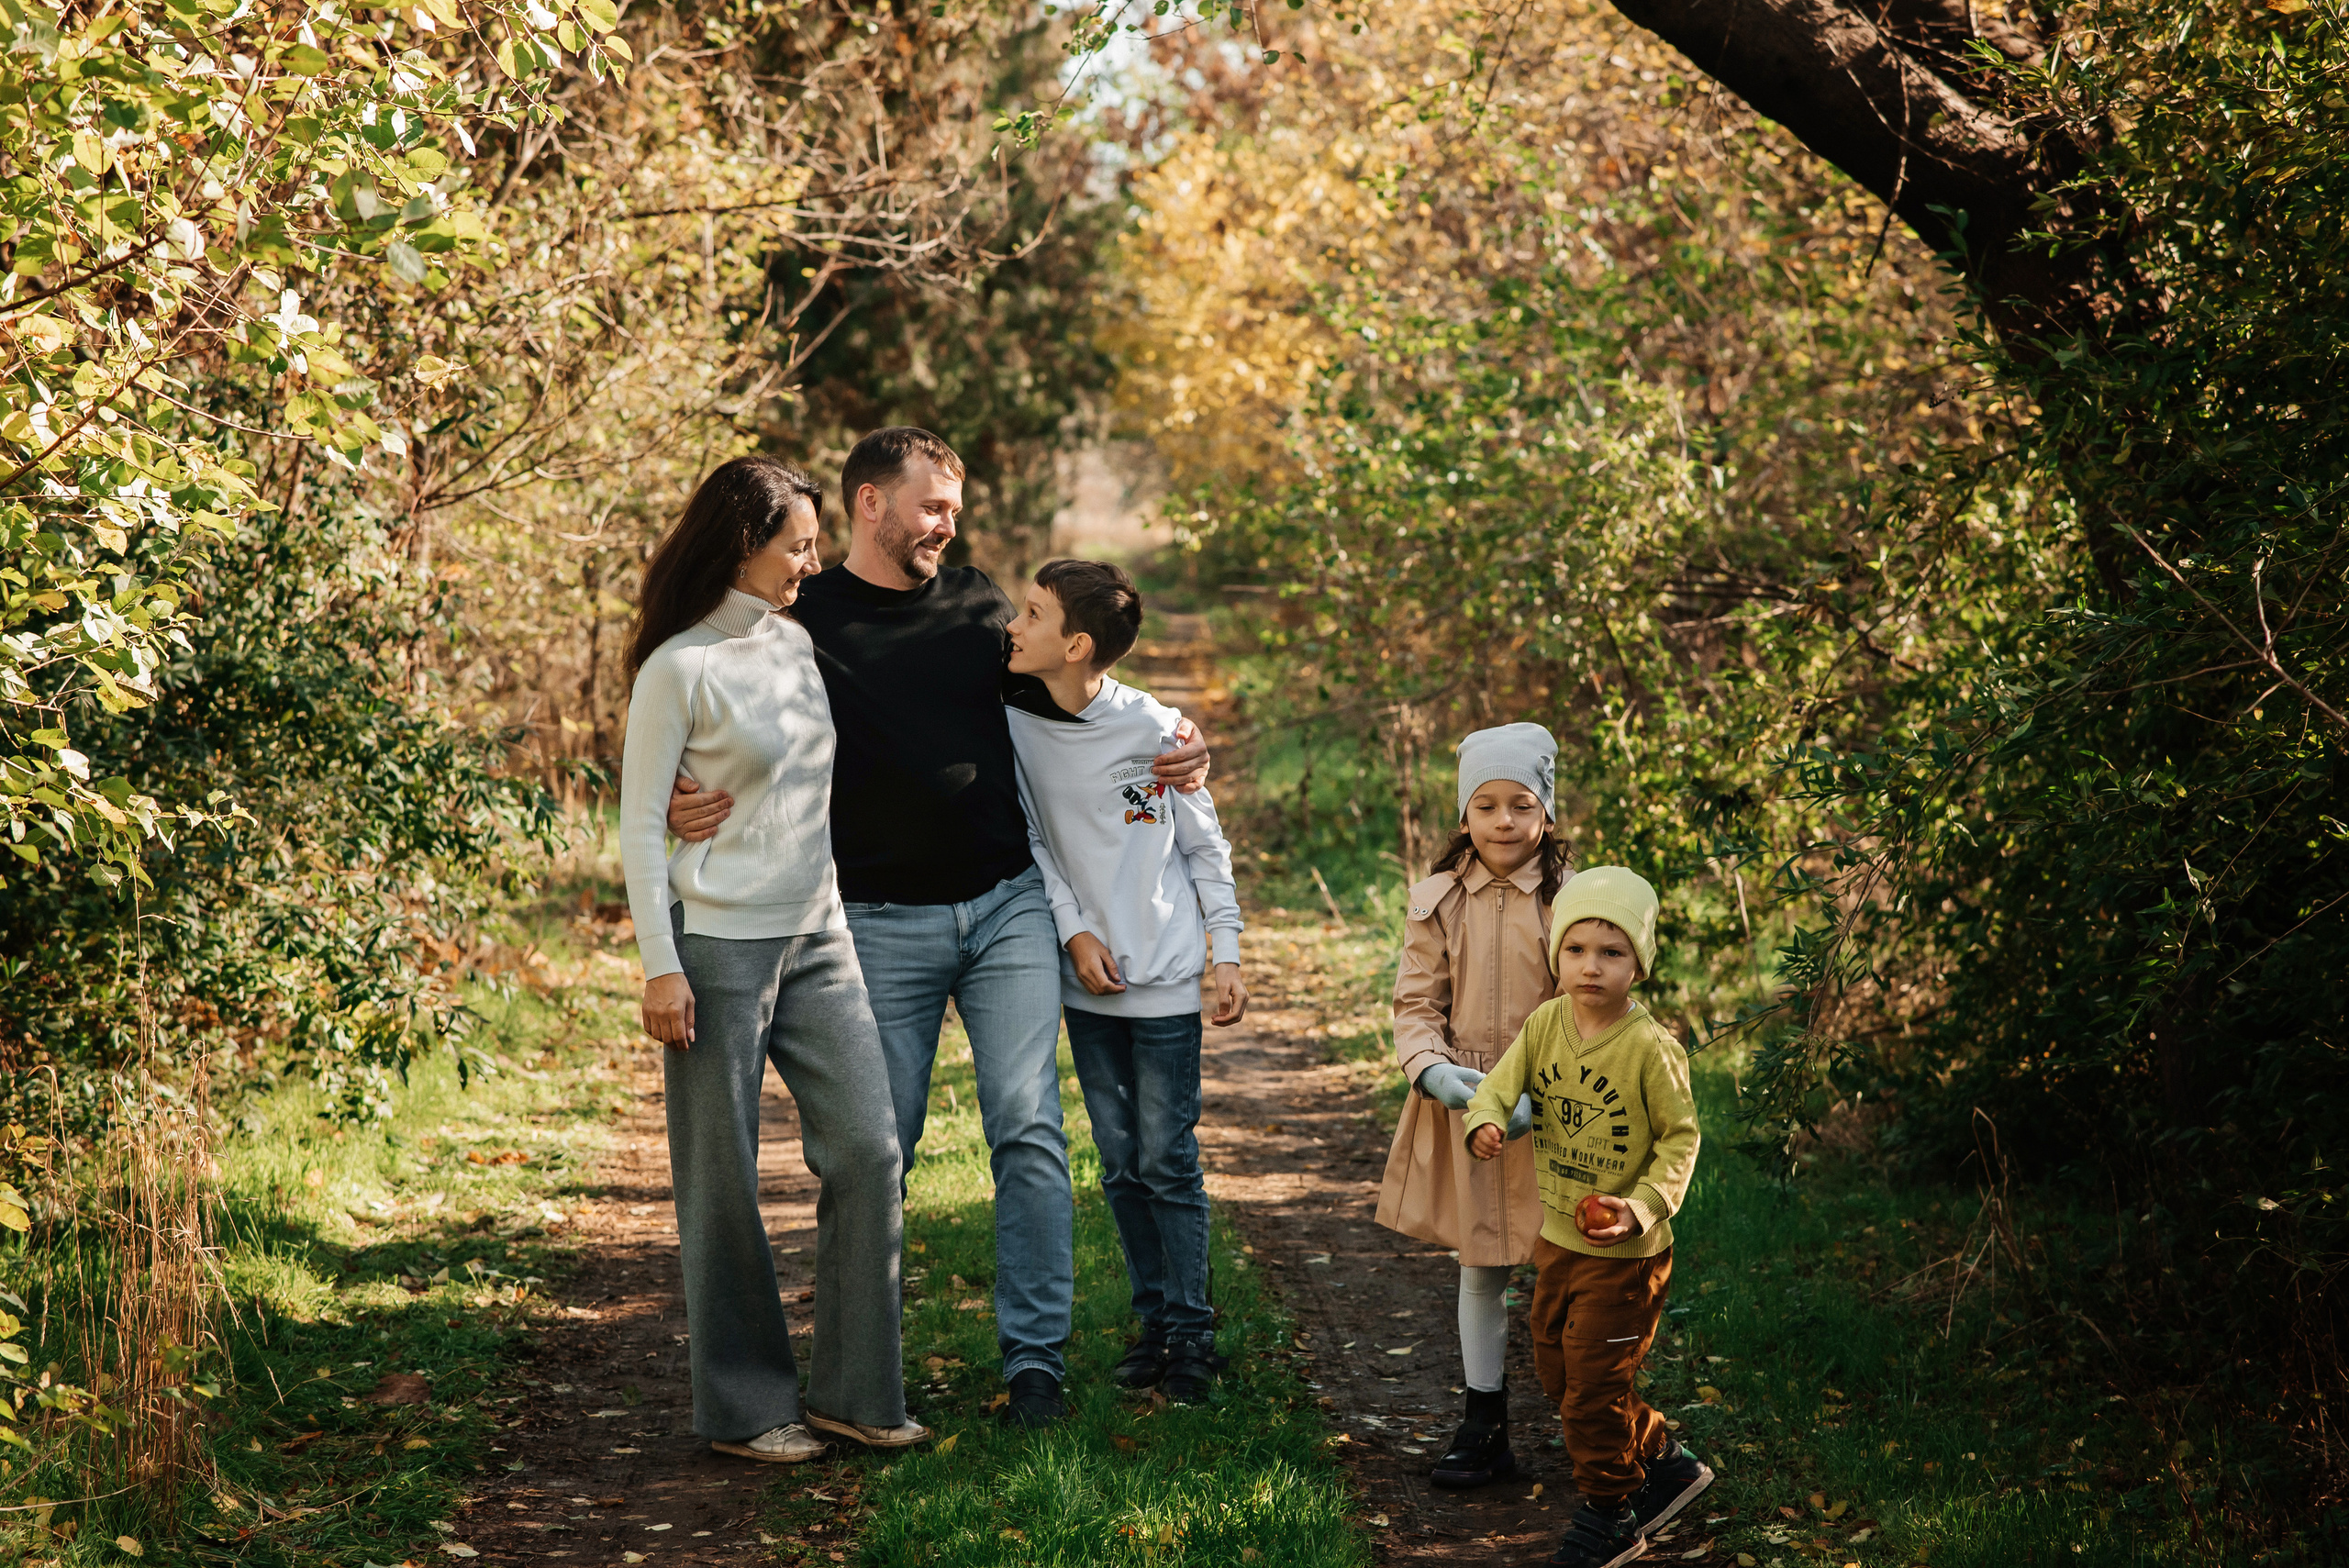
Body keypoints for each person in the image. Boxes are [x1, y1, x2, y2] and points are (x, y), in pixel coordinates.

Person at [664, 428, 1208, 1426]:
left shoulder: (976, 604)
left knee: (1029, 1127)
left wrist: (1175, 736)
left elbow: (1078, 688)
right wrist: (669, 789)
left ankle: (1035, 1365)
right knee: (879, 1148)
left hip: (1006, 905)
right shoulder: (802, 620)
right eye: (931, 507)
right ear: (870, 503)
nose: (947, 527)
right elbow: (698, 697)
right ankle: (861, 1375)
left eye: (954, 509)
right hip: (875, 922)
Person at [618, 456, 922, 1464]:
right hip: (716, 948)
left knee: (871, 1151)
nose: (814, 562)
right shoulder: (678, 668)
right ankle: (746, 1408)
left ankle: (855, 1393)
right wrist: (661, 964)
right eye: (798, 546)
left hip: (819, 932)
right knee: (723, 1182)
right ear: (742, 545)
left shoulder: (793, 642)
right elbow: (637, 823)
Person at [1001, 559, 1246, 1405]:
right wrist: (1074, 931)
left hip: (1169, 979)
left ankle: (1193, 1333)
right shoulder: (1014, 723)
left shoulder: (1157, 729)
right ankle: (1155, 1323)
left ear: (1076, 645)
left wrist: (1226, 950)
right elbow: (1034, 840)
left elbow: (1204, 847)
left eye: (1032, 613)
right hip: (1088, 985)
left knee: (1167, 1159)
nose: (1014, 625)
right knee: (1118, 1164)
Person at [1464, 867, 1710, 1568]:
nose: (1591, 966)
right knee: (1558, 1372)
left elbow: (1681, 1140)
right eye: (1575, 949)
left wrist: (1640, 1207)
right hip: (1559, 1240)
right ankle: (1664, 1457)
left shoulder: (1650, 1047)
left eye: (1611, 951)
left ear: (1639, 963)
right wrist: (1484, 1120)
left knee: (1592, 1392)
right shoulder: (1546, 1024)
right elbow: (1500, 1085)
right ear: (1557, 955)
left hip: (1628, 1256)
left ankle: (1612, 1511)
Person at [1373, 722, 1566, 1489]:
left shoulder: (1569, 901)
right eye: (1486, 805)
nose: (1504, 821)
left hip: (1558, 1113)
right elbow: (1416, 1003)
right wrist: (1431, 1071)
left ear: (1546, 810)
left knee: (1568, 1266)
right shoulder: (1439, 900)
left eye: (1522, 804)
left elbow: (1587, 1006)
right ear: (1464, 814)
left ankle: (1598, 1419)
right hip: (1471, 1110)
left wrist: (1541, 1092)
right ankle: (1484, 1425)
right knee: (1482, 1265)